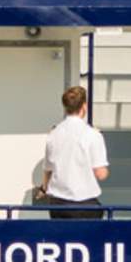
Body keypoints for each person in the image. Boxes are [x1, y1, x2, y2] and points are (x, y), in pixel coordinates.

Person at [37, 85, 108, 219]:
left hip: (58, 204)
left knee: (61, 239)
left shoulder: (54, 134)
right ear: (84, 106)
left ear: (66, 107)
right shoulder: (93, 135)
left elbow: (48, 169)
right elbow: (101, 174)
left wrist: (44, 188)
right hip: (85, 203)